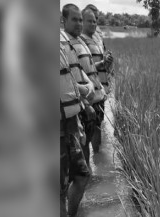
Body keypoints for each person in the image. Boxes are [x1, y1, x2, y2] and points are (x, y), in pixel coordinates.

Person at [62, 4, 105, 166]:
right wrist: (86, 104)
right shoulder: (64, 44)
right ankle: (89, 183)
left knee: (89, 142)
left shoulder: (79, 40)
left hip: (90, 101)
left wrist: (100, 90)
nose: (79, 24)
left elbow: (85, 72)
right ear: (63, 20)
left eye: (80, 20)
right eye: (75, 20)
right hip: (82, 105)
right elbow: (68, 80)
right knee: (83, 146)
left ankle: (92, 177)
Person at [81, 8, 113, 153]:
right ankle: (92, 166)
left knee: (97, 127)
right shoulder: (79, 41)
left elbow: (99, 65)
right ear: (82, 21)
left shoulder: (96, 39)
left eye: (95, 21)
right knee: (87, 134)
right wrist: (101, 63)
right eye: (90, 21)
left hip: (99, 90)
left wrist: (107, 62)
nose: (94, 24)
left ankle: (98, 159)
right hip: (88, 96)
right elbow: (83, 68)